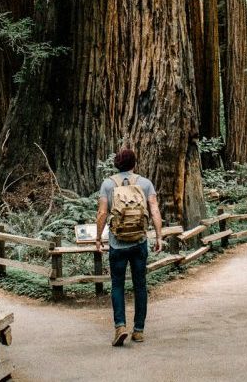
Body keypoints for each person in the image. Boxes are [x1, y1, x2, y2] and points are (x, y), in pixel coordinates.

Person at [95, 147, 163, 346]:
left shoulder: (108, 184)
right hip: (139, 242)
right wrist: (159, 236)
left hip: (117, 244)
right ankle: (139, 330)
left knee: (117, 285)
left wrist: (98, 239)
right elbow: (155, 210)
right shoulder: (145, 183)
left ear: (116, 164)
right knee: (140, 285)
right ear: (134, 164)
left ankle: (120, 326)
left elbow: (102, 213)